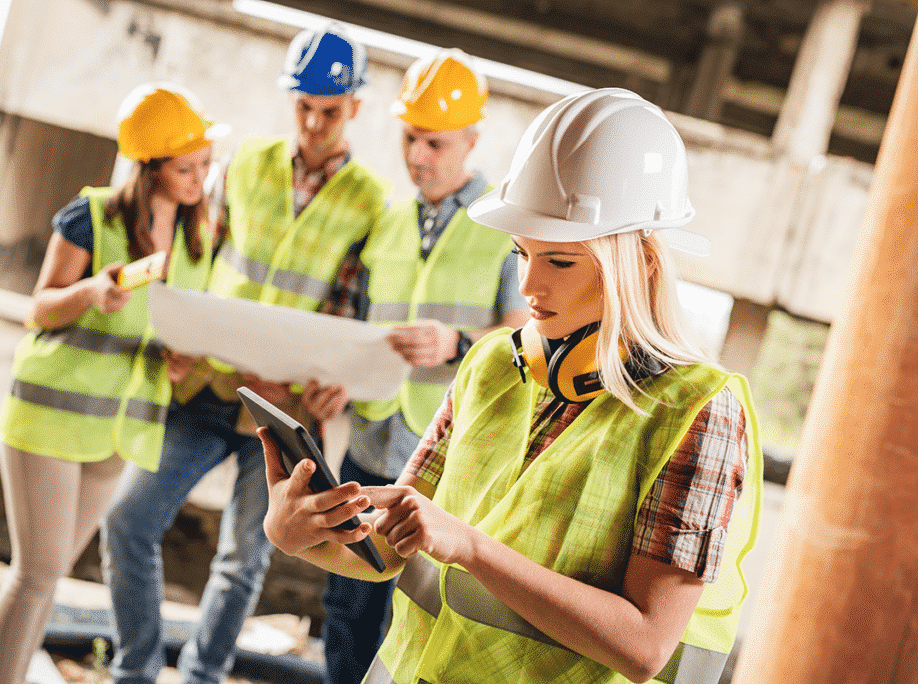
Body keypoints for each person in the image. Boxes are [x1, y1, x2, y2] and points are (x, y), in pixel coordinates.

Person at [260, 87, 764, 684]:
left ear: (641, 263)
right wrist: (294, 533)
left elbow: (646, 643)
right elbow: (390, 548)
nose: (529, 286)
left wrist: (469, 547)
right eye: (522, 253)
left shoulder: (700, 412)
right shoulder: (491, 365)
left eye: (561, 262)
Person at [100, 21, 387, 684]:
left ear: (356, 110)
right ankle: (135, 673)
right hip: (209, 384)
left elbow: (357, 311)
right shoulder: (246, 162)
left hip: (284, 414)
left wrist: (335, 381)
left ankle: (200, 678)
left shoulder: (370, 201)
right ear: (290, 100)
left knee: (244, 556)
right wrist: (179, 338)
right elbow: (200, 260)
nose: (314, 124)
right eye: (304, 107)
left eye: (331, 112)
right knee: (127, 520)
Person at [0, 82, 221, 684]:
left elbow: (176, 334)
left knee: (48, 578)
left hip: (120, 431)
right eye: (187, 167)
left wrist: (185, 364)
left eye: (204, 164)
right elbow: (40, 307)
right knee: (35, 576)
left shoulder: (200, 241)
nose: (200, 177)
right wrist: (90, 292)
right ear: (150, 168)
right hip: (51, 416)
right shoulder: (90, 215)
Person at [321, 48, 528, 684]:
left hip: (445, 452)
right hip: (369, 437)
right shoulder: (384, 219)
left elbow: (529, 335)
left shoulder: (504, 223)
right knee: (346, 602)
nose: (419, 155)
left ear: (472, 138)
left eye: (434, 143)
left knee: (408, 611)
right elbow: (358, 324)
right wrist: (338, 377)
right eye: (411, 138)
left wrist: (458, 343)